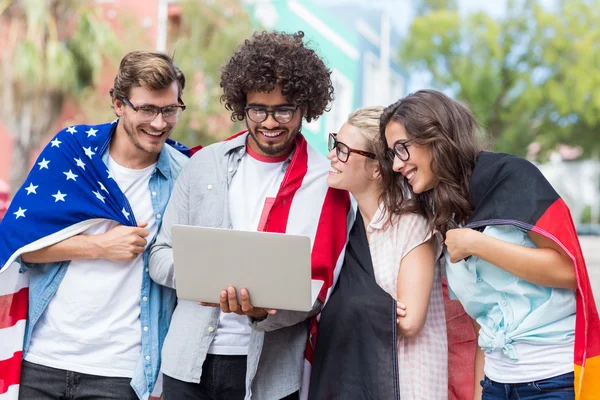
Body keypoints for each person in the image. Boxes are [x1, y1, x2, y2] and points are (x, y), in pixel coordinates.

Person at [148, 31, 352, 400]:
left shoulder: (327, 184)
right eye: (258, 109)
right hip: (186, 363)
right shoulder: (203, 164)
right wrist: (209, 279)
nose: (270, 122)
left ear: (306, 107)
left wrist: (260, 311)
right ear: (242, 105)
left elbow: (318, 291)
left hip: (268, 377)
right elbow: (159, 257)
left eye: (284, 110)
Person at [378, 89, 600, 400]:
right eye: (391, 155)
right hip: (495, 383)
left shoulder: (513, 177)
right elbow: (482, 324)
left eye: (402, 149)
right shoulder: (445, 215)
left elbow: (568, 270)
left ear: (436, 136)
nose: (398, 165)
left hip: (552, 379)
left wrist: (476, 244)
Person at [0, 51, 189, 400]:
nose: (160, 123)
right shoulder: (72, 151)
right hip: (42, 359)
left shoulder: (185, 174)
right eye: (147, 109)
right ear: (118, 104)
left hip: (121, 371)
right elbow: (16, 244)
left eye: (169, 110)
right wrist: (100, 247)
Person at [308, 107, 447, 399]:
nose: (332, 156)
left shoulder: (412, 225)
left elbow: (410, 322)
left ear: (376, 168)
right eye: (335, 144)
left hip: (406, 382)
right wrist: (377, 305)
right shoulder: (346, 227)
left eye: (344, 150)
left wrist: (361, 303)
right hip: (357, 378)